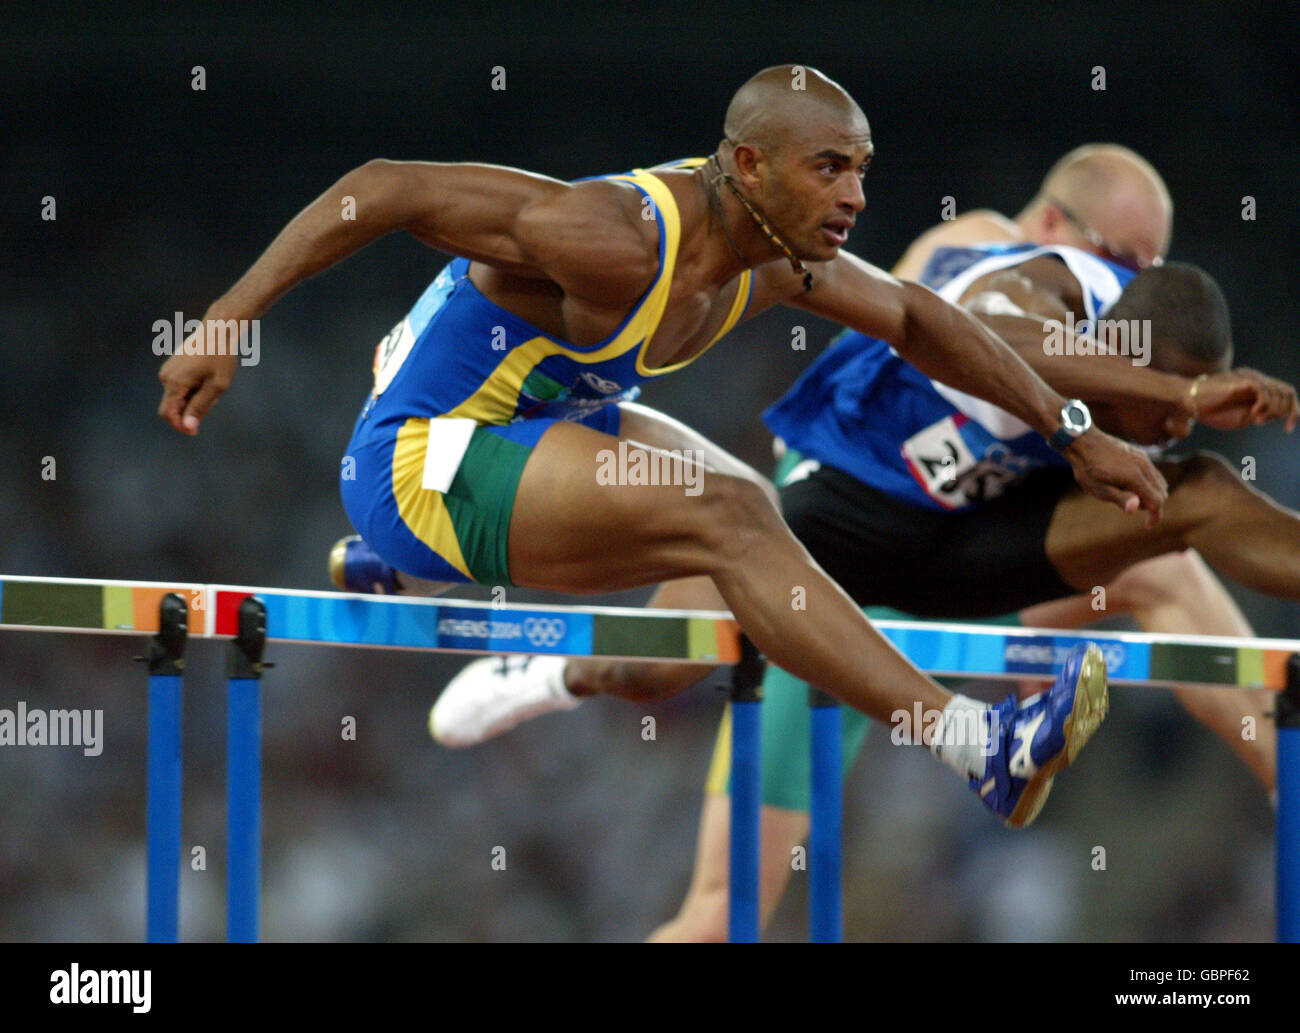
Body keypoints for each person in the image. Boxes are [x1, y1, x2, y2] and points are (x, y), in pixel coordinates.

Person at [158, 66, 1170, 827]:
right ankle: (973, 742)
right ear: (746, 166)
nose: (854, 198)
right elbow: (383, 187)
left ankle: (415, 579)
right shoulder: (614, 236)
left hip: (540, 428)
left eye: (861, 171)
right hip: (423, 455)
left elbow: (916, 317)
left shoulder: (777, 260)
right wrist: (226, 319)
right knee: (727, 519)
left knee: (752, 510)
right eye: (829, 169)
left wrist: (1068, 430)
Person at [423, 149, 1299, 936]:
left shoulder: (1141, 328)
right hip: (837, 542)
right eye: (1121, 253)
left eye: (1145, 265)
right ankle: (550, 670)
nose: (1127, 275)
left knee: (1172, 542)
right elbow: (962, 318)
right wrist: (1165, 398)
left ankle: (1286, 788)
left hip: (972, 546)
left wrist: (1169, 408)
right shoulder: (993, 255)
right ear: (1052, 229)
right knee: (705, 849)